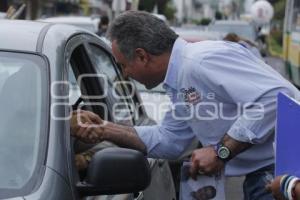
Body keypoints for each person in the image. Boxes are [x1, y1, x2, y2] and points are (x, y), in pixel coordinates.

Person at [70, 11, 300, 199]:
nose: (125, 75)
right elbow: (170, 140)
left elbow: (278, 96)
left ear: (142, 56)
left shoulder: (199, 62)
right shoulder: (181, 78)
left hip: (284, 172)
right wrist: (105, 129)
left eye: (123, 65)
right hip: (267, 178)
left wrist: (220, 153)